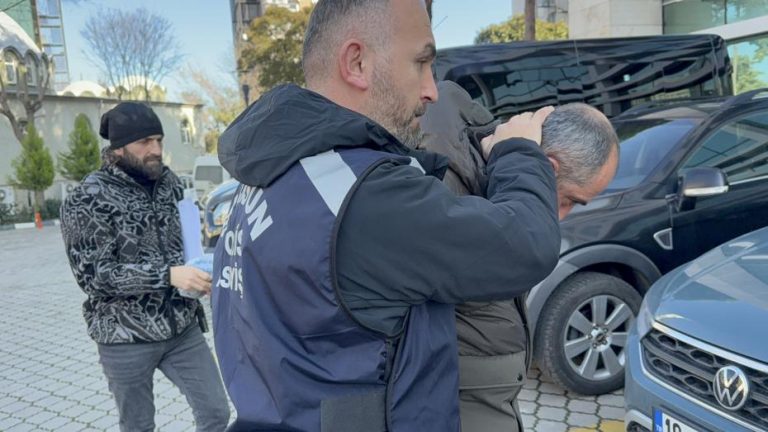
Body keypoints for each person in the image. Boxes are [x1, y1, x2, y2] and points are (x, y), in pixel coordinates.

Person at [211, 0, 560, 431]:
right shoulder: (363, 195)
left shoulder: (265, 176)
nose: (432, 90)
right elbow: (527, 244)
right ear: (356, 63)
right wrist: (517, 150)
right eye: (421, 63)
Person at [419, 81, 619, 431]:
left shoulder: (484, 172)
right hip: (459, 404)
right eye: (569, 200)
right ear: (549, 168)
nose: (561, 216)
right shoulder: (448, 184)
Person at [60, 102, 230, 432]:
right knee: (138, 426)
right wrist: (168, 275)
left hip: (182, 329)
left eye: (159, 140)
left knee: (216, 413)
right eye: (145, 142)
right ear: (118, 148)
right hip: (124, 336)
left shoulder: (171, 184)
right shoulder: (88, 197)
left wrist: (200, 273)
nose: (156, 150)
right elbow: (94, 276)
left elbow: (187, 245)